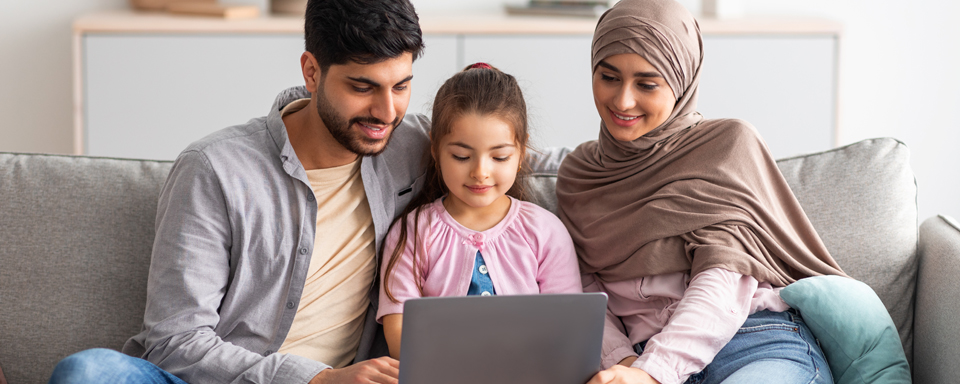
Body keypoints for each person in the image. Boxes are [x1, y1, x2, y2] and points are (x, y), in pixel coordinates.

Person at [48, 0, 428, 383]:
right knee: (88, 372)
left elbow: (472, 106)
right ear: (312, 72)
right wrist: (317, 379)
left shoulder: (422, 148)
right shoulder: (215, 168)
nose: (386, 112)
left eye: (401, 86)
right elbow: (175, 341)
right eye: (362, 87)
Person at [555, 1, 848, 384]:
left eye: (647, 84)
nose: (623, 101)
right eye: (609, 77)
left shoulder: (726, 145)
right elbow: (583, 289)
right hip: (638, 358)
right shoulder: (579, 176)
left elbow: (723, 278)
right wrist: (623, 364)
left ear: (681, 83)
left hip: (754, 341)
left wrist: (654, 373)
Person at [375, 63, 582, 358]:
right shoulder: (414, 232)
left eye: (499, 157)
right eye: (461, 156)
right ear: (435, 148)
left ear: (521, 153)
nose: (480, 172)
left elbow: (568, 326)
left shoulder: (546, 231)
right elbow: (399, 333)